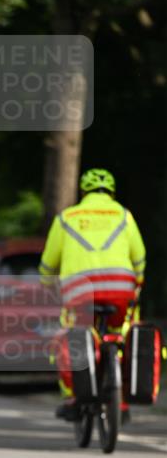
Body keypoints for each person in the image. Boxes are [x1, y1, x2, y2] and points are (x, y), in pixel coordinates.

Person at [38, 168, 146, 420]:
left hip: (79, 292)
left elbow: (47, 265)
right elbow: (139, 258)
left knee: (69, 337)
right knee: (123, 334)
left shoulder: (67, 217)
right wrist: (137, 283)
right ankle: (121, 398)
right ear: (111, 192)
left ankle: (73, 396)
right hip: (121, 289)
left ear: (83, 192)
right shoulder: (124, 216)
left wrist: (48, 285)